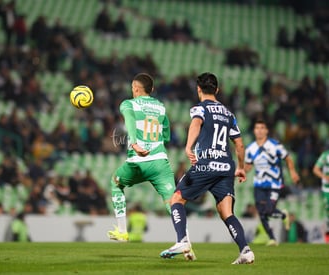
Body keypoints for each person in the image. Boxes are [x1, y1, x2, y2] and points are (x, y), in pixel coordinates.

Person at [160, 72, 254, 264]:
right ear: (217, 90)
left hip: (207, 164)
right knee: (226, 212)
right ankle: (245, 251)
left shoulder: (200, 108)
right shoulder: (229, 114)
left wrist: (188, 146)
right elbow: (239, 144)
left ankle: (182, 241)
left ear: (198, 89)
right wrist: (241, 168)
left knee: (176, 198)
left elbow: (196, 124)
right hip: (227, 167)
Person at [107, 73, 176, 242]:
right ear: (151, 89)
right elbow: (166, 136)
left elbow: (129, 120)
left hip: (138, 161)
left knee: (116, 183)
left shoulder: (128, 104)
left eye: (132, 88)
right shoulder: (161, 107)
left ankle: (122, 231)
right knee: (173, 202)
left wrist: (135, 143)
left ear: (136, 89)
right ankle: (185, 241)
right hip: (160, 162)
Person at [245, 119, 300, 246]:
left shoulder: (275, 145)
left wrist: (292, 172)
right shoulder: (251, 148)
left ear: (266, 131)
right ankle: (272, 238)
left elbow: (288, 158)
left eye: (262, 128)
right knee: (261, 213)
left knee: (268, 210)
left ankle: (282, 215)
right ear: (254, 131)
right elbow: (248, 166)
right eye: (257, 128)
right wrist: (242, 171)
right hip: (258, 184)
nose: (259, 130)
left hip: (274, 184)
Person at [312, 148, 329, 243]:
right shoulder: (326, 155)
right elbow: (315, 169)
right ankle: (328, 231)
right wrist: (325, 177)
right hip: (328, 188)